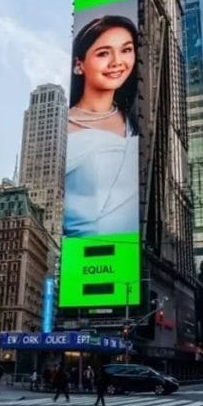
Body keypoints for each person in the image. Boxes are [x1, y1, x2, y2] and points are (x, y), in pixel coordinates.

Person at [63, 15, 140, 239]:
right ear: (79, 65)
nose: (117, 61)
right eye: (103, 53)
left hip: (133, 256)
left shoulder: (136, 120)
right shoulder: (63, 126)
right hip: (82, 259)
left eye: (126, 50)